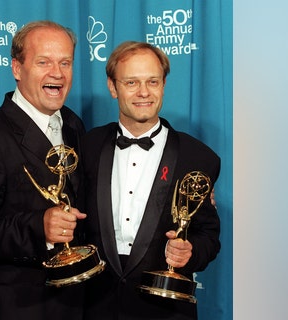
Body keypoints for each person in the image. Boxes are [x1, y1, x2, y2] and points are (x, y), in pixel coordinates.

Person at [79, 41, 221, 320]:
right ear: (112, 86)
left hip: (165, 310)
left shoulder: (199, 158)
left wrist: (190, 252)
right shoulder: (87, 146)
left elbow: (209, 236)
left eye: (152, 81)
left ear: (164, 84)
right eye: (131, 82)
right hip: (97, 308)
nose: (143, 92)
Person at [0, 21, 87, 320]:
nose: (57, 73)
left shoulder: (72, 123)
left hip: (75, 302)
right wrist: (37, 227)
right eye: (44, 62)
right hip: (19, 306)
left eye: (65, 62)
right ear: (17, 68)